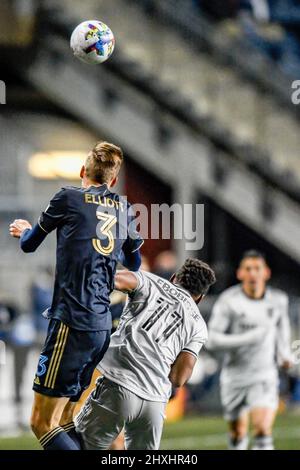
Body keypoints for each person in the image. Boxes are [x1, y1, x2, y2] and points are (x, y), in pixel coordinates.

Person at [9, 141, 143, 450]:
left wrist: (25, 230)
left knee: (42, 423)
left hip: (71, 322)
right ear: (112, 180)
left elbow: (29, 244)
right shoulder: (123, 207)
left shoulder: (67, 198)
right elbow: (134, 263)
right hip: (100, 326)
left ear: (83, 171)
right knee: (68, 418)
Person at [76, 258, 216, 450]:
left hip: (119, 384)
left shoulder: (149, 281)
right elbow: (178, 378)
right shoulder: (199, 325)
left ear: (174, 277)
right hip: (155, 402)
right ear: (200, 297)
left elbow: (109, 279)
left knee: (82, 446)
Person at [207, 250, 292, 450]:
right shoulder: (229, 300)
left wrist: (285, 355)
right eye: (248, 269)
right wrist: (249, 338)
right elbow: (212, 340)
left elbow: (282, 332)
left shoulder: (278, 300)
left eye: (257, 269)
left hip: (264, 375)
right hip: (234, 376)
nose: (253, 273)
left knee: (262, 430)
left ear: (266, 273)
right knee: (237, 434)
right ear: (240, 273)